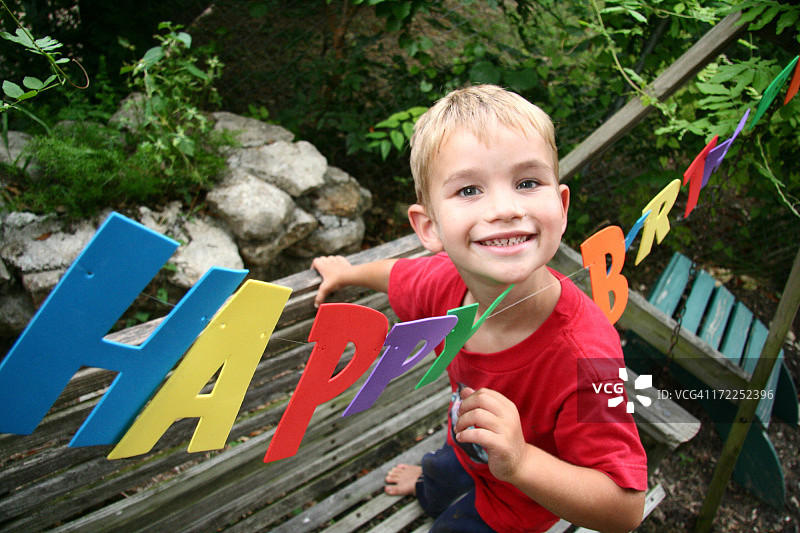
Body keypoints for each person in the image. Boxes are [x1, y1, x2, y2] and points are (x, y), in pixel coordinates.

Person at [311, 85, 647, 533]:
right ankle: (429, 489)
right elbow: (395, 275)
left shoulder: (590, 355)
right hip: (468, 443)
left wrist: (521, 462)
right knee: (439, 473)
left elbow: (625, 510)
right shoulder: (442, 283)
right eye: (469, 189)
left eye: (527, 182)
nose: (506, 209)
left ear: (561, 207)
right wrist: (348, 272)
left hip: (519, 501)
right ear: (429, 228)